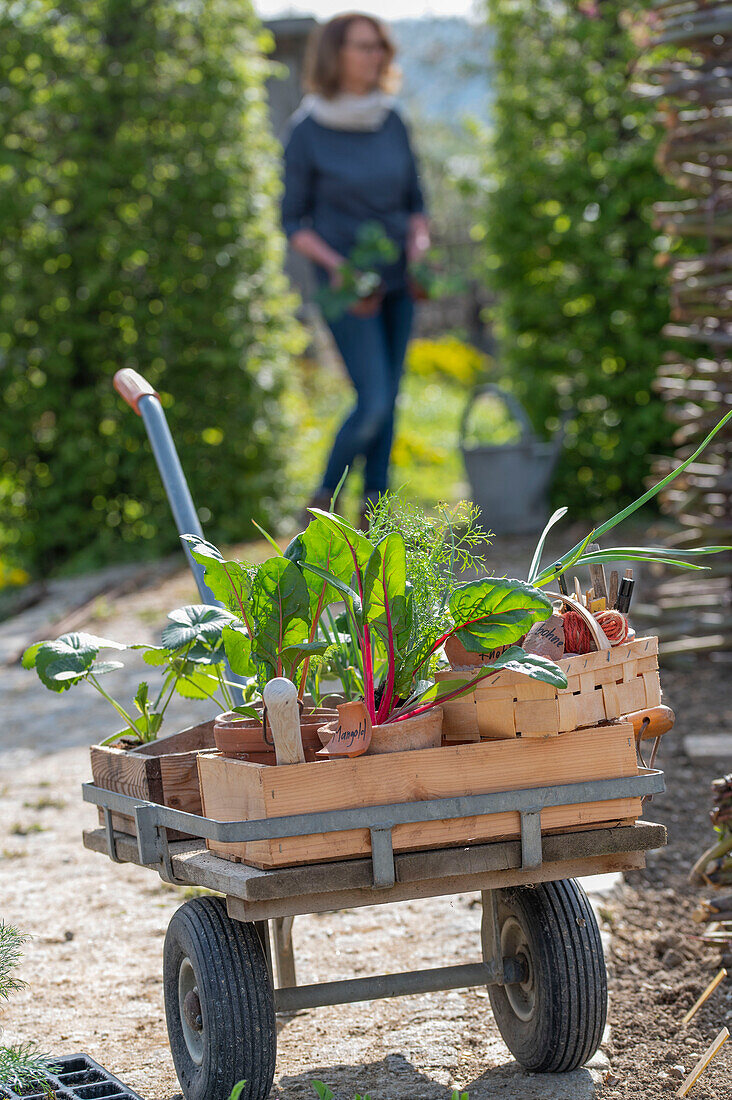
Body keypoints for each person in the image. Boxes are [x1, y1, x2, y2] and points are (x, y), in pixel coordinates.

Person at [281, 12, 430, 525]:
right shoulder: (308, 129)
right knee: (373, 399)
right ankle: (323, 502)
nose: (376, 56)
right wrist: (338, 266)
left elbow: (416, 203)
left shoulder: (391, 119)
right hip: (345, 287)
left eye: (380, 47)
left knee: (391, 401)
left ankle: (376, 513)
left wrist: (419, 246)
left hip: (398, 282)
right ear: (335, 55)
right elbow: (293, 222)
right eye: (364, 47)